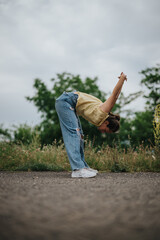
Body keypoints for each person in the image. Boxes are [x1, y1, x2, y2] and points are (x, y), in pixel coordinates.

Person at [55, 72, 127, 178]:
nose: (103, 132)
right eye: (105, 130)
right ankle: (77, 169)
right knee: (74, 134)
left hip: (70, 103)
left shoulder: (101, 116)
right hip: (66, 101)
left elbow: (115, 96)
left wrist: (122, 82)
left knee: (80, 135)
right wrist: (122, 79)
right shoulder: (103, 112)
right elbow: (115, 96)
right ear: (106, 123)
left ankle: (83, 166)